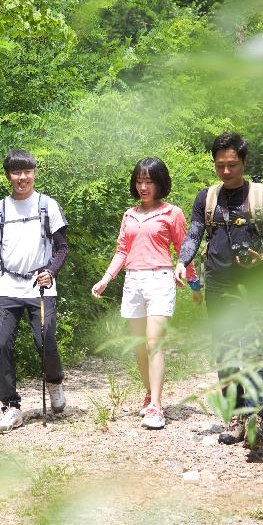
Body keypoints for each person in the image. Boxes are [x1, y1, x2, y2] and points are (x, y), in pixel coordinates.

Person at [174, 132, 263, 456]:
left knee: (253, 347)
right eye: (220, 165)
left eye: (232, 165)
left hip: (255, 283)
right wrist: (182, 262)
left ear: (244, 162)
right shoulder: (206, 198)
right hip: (218, 282)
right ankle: (237, 417)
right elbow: (195, 232)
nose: (226, 172)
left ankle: (256, 418)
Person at [91, 157, 202, 430]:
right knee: (140, 346)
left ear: (160, 183)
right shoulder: (129, 215)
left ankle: (157, 406)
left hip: (161, 280)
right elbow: (122, 250)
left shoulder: (172, 213)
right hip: (133, 281)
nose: (143, 186)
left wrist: (195, 284)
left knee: (154, 343)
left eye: (149, 181)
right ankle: (149, 394)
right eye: (139, 181)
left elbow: (183, 249)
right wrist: (106, 278)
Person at [0, 149, 69, 434]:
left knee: (45, 341)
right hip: (7, 285)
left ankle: (54, 381)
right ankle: (11, 408)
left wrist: (50, 272)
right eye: (16, 172)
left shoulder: (47, 206)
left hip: (41, 285)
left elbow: (62, 248)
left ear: (34, 173)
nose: (22, 177)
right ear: (8, 176)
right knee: (2, 343)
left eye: (27, 171)